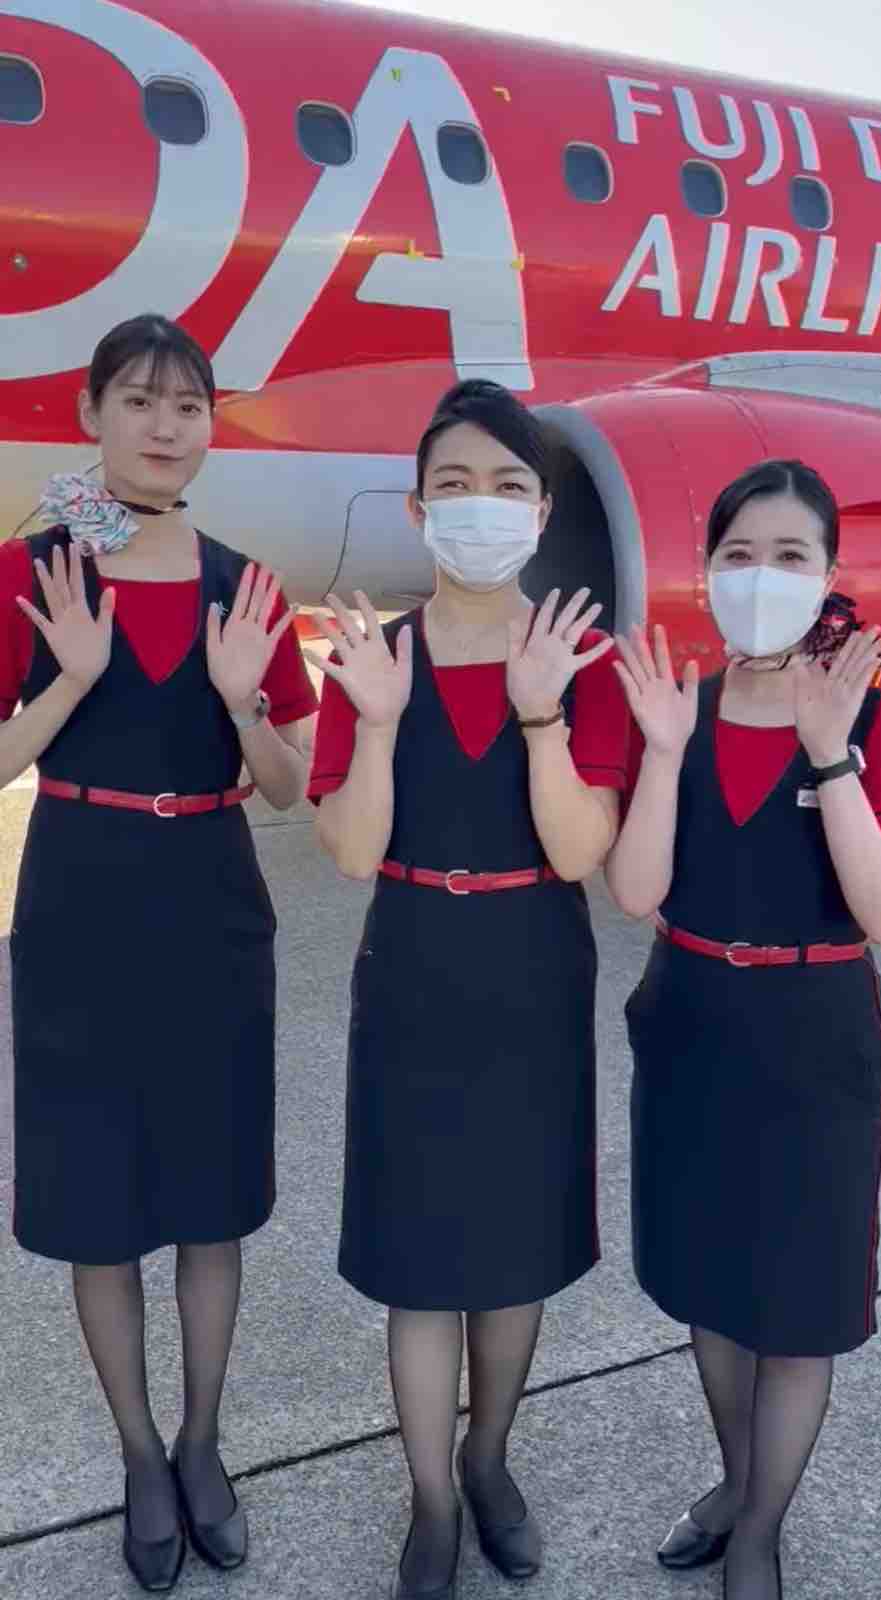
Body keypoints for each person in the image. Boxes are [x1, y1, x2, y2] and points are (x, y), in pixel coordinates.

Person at [2, 314, 317, 1591]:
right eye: (138, 400)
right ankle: (139, 1452)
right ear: (92, 412)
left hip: (209, 893)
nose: (165, 426)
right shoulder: (36, 566)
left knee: (208, 1193)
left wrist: (243, 700)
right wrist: (71, 678)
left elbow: (289, 786)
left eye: (188, 405)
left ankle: (201, 1440)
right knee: (97, 1197)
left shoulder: (247, 584)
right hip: (80, 890)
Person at [304, 379, 630, 1597]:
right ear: (417, 507)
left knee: (511, 1242)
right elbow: (350, 852)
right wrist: (377, 724)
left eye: (505, 486)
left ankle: (489, 1457)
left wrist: (540, 718)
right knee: (417, 1250)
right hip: (413, 966)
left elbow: (581, 849)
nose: (478, 506)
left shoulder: (580, 656)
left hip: (532, 964)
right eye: (453, 484)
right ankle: (431, 1500)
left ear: (540, 512)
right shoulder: (373, 660)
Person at [604, 460, 881, 1600]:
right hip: (690, 1024)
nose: (761, 576)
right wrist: (662, 751)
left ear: (827, 575)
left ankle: (760, 1533)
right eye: (739, 554)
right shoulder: (671, 710)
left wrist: (830, 755)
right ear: (706, 569)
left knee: (795, 1306)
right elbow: (636, 891)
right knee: (710, 1284)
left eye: (790, 557)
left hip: (814, 1039)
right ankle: (737, 1483)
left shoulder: (880, 721)